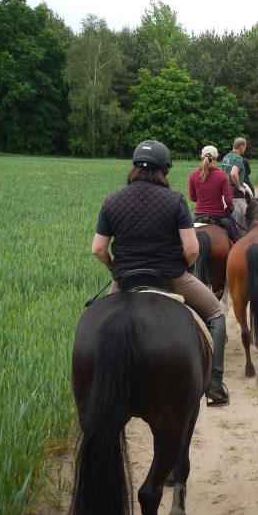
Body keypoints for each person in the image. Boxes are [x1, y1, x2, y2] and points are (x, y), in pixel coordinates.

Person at [91, 140, 230, 406]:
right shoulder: (174, 200)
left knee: (97, 321)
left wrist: (114, 268)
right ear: (164, 170)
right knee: (216, 313)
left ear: (134, 168)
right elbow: (191, 249)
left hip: (125, 279)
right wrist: (182, 265)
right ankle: (214, 383)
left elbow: (98, 249)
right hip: (171, 277)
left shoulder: (112, 200)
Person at [188, 145, 238, 241]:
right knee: (236, 238)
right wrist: (230, 208)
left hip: (198, 214)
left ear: (201, 157)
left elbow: (193, 198)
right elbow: (228, 199)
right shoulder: (222, 175)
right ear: (217, 157)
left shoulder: (193, 175)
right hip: (218, 215)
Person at [221, 137, 250, 228]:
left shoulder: (226, 157)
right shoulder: (238, 159)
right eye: (245, 146)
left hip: (224, 189)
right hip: (235, 191)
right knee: (251, 212)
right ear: (241, 146)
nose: (245, 149)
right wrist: (239, 186)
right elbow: (234, 173)